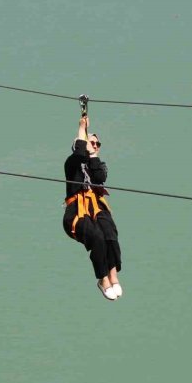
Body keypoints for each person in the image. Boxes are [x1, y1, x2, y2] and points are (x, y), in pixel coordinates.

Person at [63, 115, 123, 301]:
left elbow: (99, 178)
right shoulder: (71, 164)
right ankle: (103, 279)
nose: (94, 145)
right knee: (96, 237)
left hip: (96, 207)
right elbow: (80, 153)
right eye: (91, 142)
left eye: (97, 144)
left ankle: (113, 275)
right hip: (77, 212)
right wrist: (82, 128)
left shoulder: (98, 165)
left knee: (109, 232)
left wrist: (94, 155)